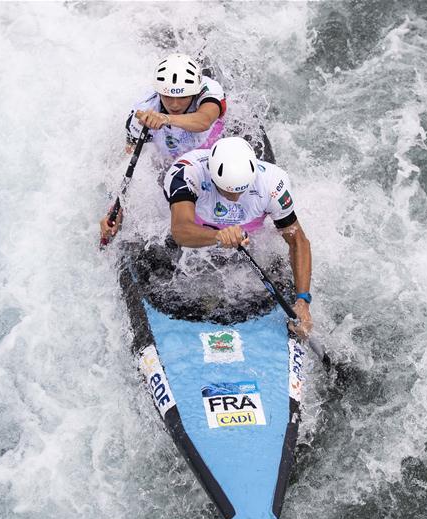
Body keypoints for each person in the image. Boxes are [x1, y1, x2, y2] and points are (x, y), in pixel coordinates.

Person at [163, 136, 314, 337]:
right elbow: (180, 230)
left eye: (241, 190)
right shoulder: (187, 172)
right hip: (198, 230)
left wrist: (303, 300)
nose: (234, 198)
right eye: (226, 190)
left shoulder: (272, 183)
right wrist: (218, 235)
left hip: (248, 233)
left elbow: (298, 241)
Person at [101, 53, 226, 241]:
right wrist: (116, 209)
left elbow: (205, 120)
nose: (175, 104)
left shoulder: (208, 89)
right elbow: (131, 162)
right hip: (177, 160)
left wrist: (166, 119)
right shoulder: (141, 112)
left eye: (182, 97)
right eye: (167, 96)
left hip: (215, 146)